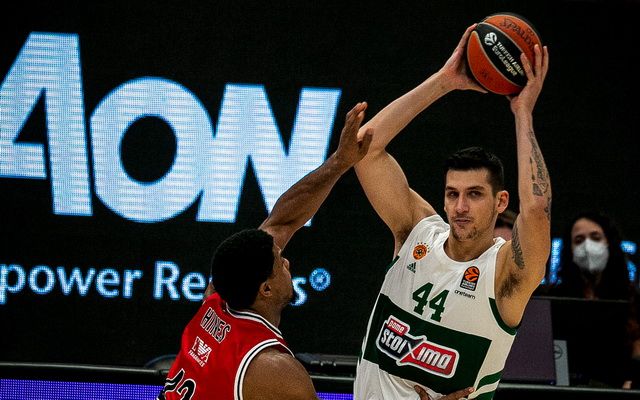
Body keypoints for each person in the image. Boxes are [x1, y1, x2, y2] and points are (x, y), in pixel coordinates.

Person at [157, 103, 474, 400]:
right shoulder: (273, 369)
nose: (286, 261)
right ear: (265, 289)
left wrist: (340, 162)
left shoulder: (215, 302)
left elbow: (283, 221)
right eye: (279, 263)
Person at [353, 24, 550, 400]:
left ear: (501, 202)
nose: (460, 207)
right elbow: (363, 147)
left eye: (474, 194)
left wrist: (523, 112)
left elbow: (537, 209)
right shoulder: (416, 232)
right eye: (452, 194)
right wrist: (444, 81)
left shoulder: (505, 275)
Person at [549, 210, 638, 388]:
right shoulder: (554, 300)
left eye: (595, 237)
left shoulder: (633, 301)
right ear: (570, 250)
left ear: (609, 243)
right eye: (579, 240)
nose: (587, 246)